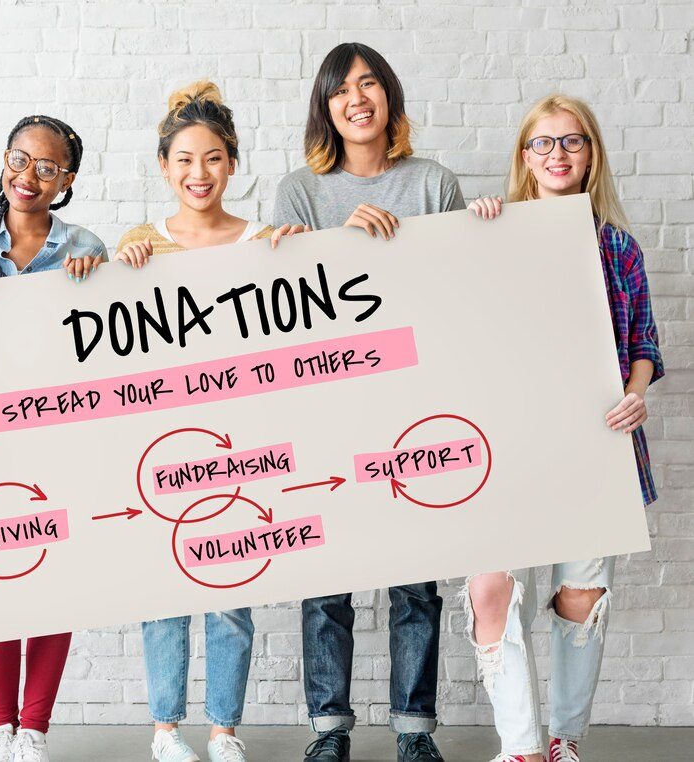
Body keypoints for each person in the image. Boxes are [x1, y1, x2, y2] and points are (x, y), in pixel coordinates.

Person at [272, 42, 466, 762]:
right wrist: (340, 248)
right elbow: (284, 303)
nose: (357, 98)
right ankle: (331, 732)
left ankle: (415, 733)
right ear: (324, 109)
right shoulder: (300, 189)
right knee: (329, 580)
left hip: (411, 405)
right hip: (326, 408)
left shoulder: (432, 182)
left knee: (415, 580)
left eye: (369, 84)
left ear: (390, 96)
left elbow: (452, 291)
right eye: (340, 90)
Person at [463, 94, 663, 762]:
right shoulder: (490, 233)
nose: (557, 154)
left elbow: (643, 346)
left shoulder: (618, 247)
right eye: (543, 144)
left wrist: (636, 395)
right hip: (507, 441)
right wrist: (477, 235)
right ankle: (519, 747)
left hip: (596, 440)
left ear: (591, 153)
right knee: (490, 585)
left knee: (581, 592)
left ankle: (562, 742)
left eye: (571, 142)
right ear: (524, 158)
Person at [115, 80, 302, 762]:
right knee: (164, 591)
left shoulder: (266, 241)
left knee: (230, 592)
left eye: (214, 158)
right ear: (164, 166)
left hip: (242, 441)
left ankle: (225, 730)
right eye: (185, 160)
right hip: (161, 441)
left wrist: (298, 258)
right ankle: (166, 731)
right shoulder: (140, 243)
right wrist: (116, 271)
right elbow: (112, 346)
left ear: (233, 163)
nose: (199, 174)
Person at [0, 113, 104, 762]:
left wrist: (99, 285)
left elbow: (102, 349)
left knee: (53, 586)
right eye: (19, 158)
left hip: (58, 438)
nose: (28, 176)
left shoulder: (84, 245)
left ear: (67, 181)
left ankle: (33, 731)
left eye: (47, 167)